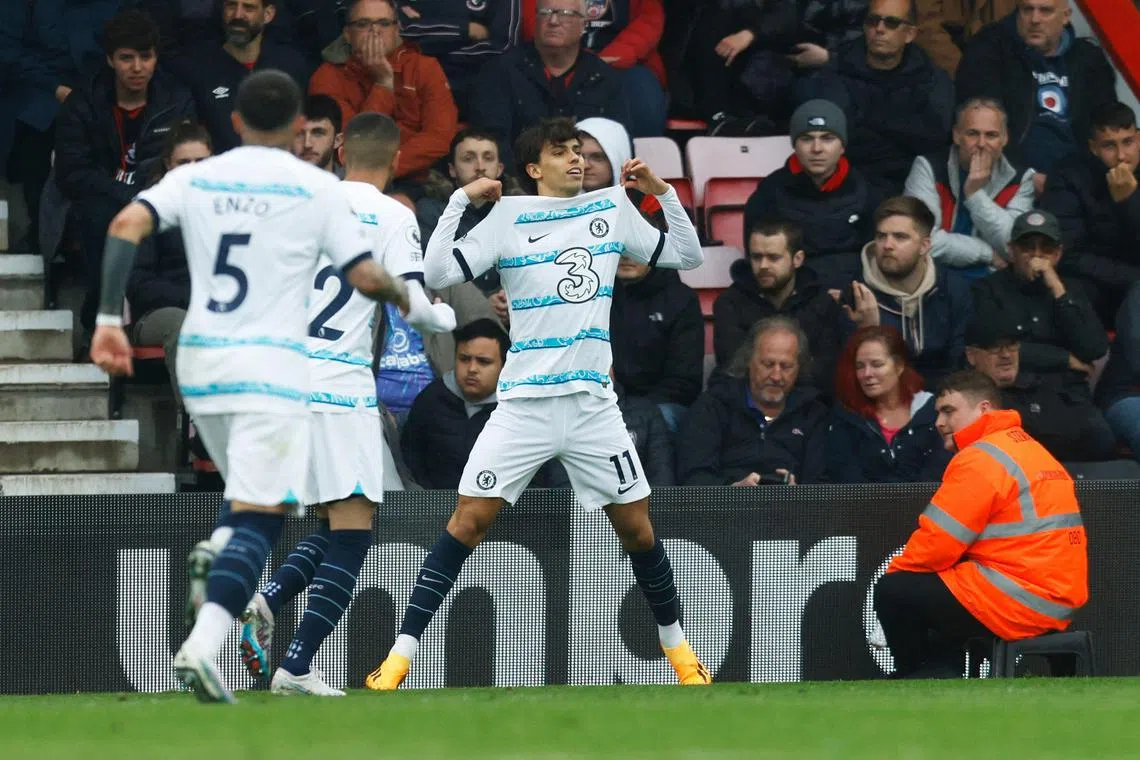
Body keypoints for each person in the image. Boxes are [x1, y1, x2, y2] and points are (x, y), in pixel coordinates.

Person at [88, 69, 411, 703]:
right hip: (284, 371)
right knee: (283, 517)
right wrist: (412, 300)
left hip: (203, 361)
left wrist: (105, 319)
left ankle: (221, 608)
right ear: (301, 129)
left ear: (234, 121)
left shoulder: (199, 177)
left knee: (253, 502)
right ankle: (233, 601)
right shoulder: (317, 192)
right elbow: (368, 278)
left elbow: (124, 224)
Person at [365, 117, 710, 690]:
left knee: (638, 530)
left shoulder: (613, 208)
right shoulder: (506, 216)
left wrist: (662, 193)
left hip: (593, 405)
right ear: (533, 168)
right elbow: (438, 271)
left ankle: (678, 648)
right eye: (561, 152)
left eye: (580, 151)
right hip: (523, 406)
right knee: (467, 522)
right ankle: (398, 658)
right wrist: (460, 201)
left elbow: (688, 256)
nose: (577, 159)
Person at [236, 112, 456, 696]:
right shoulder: (393, 216)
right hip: (341, 386)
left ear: (339, 149)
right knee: (355, 530)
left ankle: (268, 602)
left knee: (334, 520)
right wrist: (447, 316)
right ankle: (295, 666)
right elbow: (414, 304)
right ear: (397, 157)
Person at [874, 370, 1087, 678]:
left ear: (984, 409)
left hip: (1018, 599)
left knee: (895, 590)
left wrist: (897, 572)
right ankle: (939, 670)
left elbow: (937, 543)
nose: (939, 422)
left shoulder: (981, 458)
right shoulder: (1030, 449)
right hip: (1054, 598)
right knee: (947, 584)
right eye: (937, 413)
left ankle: (922, 675)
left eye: (949, 411)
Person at [54, 9, 196, 335]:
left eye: (145, 57)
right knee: (98, 217)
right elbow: (72, 172)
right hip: (100, 202)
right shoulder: (83, 102)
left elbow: (186, 157)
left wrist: (144, 197)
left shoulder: (176, 100)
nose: (137, 67)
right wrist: (126, 195)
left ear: (156, 57)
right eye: (126, 58)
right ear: (110, 59)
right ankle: (99, 323)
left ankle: (152, 316)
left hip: (160, 198)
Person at [798, 0, 954, 196]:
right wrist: (903, 132)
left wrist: (867, 118)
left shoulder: (931, 77)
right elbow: (838, 138)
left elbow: (935, 138)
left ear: (910, 34)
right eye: (873, 21)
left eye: (891, 23)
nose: (879, 29)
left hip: (916, 183)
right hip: (850, 183)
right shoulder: (836, 71)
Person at [954, 0, 1116, 189]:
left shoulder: (1089, 59)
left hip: (1078, 185)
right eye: (1027, 9)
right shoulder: (989, 50)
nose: (1035, 19)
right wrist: (1022, 178)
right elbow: (976, 130)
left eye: (1045, 11)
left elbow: (1108, 128)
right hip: (1007, 182)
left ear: (1065, 16)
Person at [469, 0, 632, 168]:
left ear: (583, 25)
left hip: (585, 178)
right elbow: (491, 142)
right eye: (545, 13)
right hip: (519, 178)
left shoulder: (604, 77)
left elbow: (619, 146)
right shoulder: (500, 71)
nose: (553, 21)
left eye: (565, 14)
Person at [309, 0, 459, 181]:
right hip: (351, 177)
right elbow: (358, 143)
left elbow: (440, 137)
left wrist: (385, 168)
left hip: (415, 177)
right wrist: (383, 85)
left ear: (396, 30)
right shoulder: (326, 77)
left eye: (384, 23)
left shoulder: (424, 68)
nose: (375, 31)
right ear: (347, 34)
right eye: (363, 24)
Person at [742, 99, 881, 288]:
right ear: (794, 144)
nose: (817, 149)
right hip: (792, 296)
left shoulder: (867, 191)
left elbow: (877, 260)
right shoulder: (769, 193)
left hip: (853, 293)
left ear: (842, 146)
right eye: (807, 139)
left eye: (827, 138)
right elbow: (760, 262)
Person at [677, 317, 830, 486]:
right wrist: (733, 490)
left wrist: (798, 494)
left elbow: (821, 484)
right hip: (727, 501)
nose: (776, 376)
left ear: (799, 368)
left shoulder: (812, 413)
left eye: (786, 366)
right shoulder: (713, 406)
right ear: (749, 361)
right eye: (768, 364)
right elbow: (693, 478)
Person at [840, 196, 973, 387]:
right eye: (881, 236)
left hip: (942, 395)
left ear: (924, 246)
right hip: (879, 396)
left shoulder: (953, 289)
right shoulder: (855, 293)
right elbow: (850, 376)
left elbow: (958, 364)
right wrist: (868, 333)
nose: (887, 245)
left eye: (900, 237)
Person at [125, 121, 213, 407]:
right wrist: (194, 300)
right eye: (183, 163)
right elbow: (138, 284)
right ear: (168, 165)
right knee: (184, 326)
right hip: (158, 315)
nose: (192, 170)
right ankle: (198, 423)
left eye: (201, 162)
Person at [970, 209, 1108, 387]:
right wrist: (1064, 358)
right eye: (1027, 246)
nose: (1037, 254)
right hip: (1011, 386)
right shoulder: (987, 289)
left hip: (1064, 389)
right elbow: (996, 349)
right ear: (1011, 250)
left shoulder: (1072, 289)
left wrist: (1058, 290)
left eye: (1047, 248)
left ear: (1058, 254)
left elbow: (1095, 348)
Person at [713, 218, 846, 394]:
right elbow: (733, 367)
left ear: (797, 259)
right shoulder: (730, 303)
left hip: (808, 402)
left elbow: (825, 373)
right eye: (756, 257)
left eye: (773, 258)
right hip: (743, 401)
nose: (763, 266)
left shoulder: (822, 304)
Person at [904, 97, 1036, 273]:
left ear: (1004, 139)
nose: (981, 144)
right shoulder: (928, 167)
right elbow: (917, 240)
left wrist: (974, 195)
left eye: (991, 135)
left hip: (993, 280)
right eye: (972, 134)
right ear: (957, 135)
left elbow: (1015, 247)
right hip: (934, 274)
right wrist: (986, 253)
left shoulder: (1021, 179)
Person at [1040, 101, 1140, 326]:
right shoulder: (1068, 175)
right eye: (1109, 146)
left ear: (1139, 140)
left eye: (1128, 142)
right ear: (1093, 147)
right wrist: (1134, 279)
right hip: (1095, 284)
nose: (1121, 156)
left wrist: (1130, 201)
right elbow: (1068, 254)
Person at [965, 317, 1116, 462]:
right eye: (994, 348)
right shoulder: (963, 397)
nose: (1006, 355)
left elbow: (1100, 438)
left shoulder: (1041, 387)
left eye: (1012, 345)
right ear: (971, 355)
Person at [169, 0, 310, 153]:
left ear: (268, 14)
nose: (237, 15)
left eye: (248, 8)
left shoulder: (291, 66)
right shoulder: (196, 70)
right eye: (231, 5)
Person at [517, 0, 668, 137]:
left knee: (643, 93)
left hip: (624, 63)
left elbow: (649, 19)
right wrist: (576, 59)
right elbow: (536, 20)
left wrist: (615, 55)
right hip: (559, 60)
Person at [827, 326, 951, 482]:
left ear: (899, 366)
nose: (867, 374)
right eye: (860, 366)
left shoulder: (933, 410)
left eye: (877, 364)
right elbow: (846, 477)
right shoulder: (846, 416)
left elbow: (939, 470)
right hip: (863, 499)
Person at [402, 318, 510, 489]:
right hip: (434, 502)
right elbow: (409, 462)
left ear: (504, 366)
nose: (472, 369)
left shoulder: (516, 409)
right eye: (464, 359)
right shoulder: (431, 400)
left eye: (483, 362)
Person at [396, 0, 522, 121]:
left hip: (478, 83)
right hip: (419, 81)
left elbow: (503, 46)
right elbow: (404, 30)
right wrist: (465, 29)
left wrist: (439, 50)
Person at [292, 94, 342, 174]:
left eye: (318, 133)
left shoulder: (354, 181)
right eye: (299, 134)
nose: (307, 144)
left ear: (337, 140)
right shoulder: (274, 179)